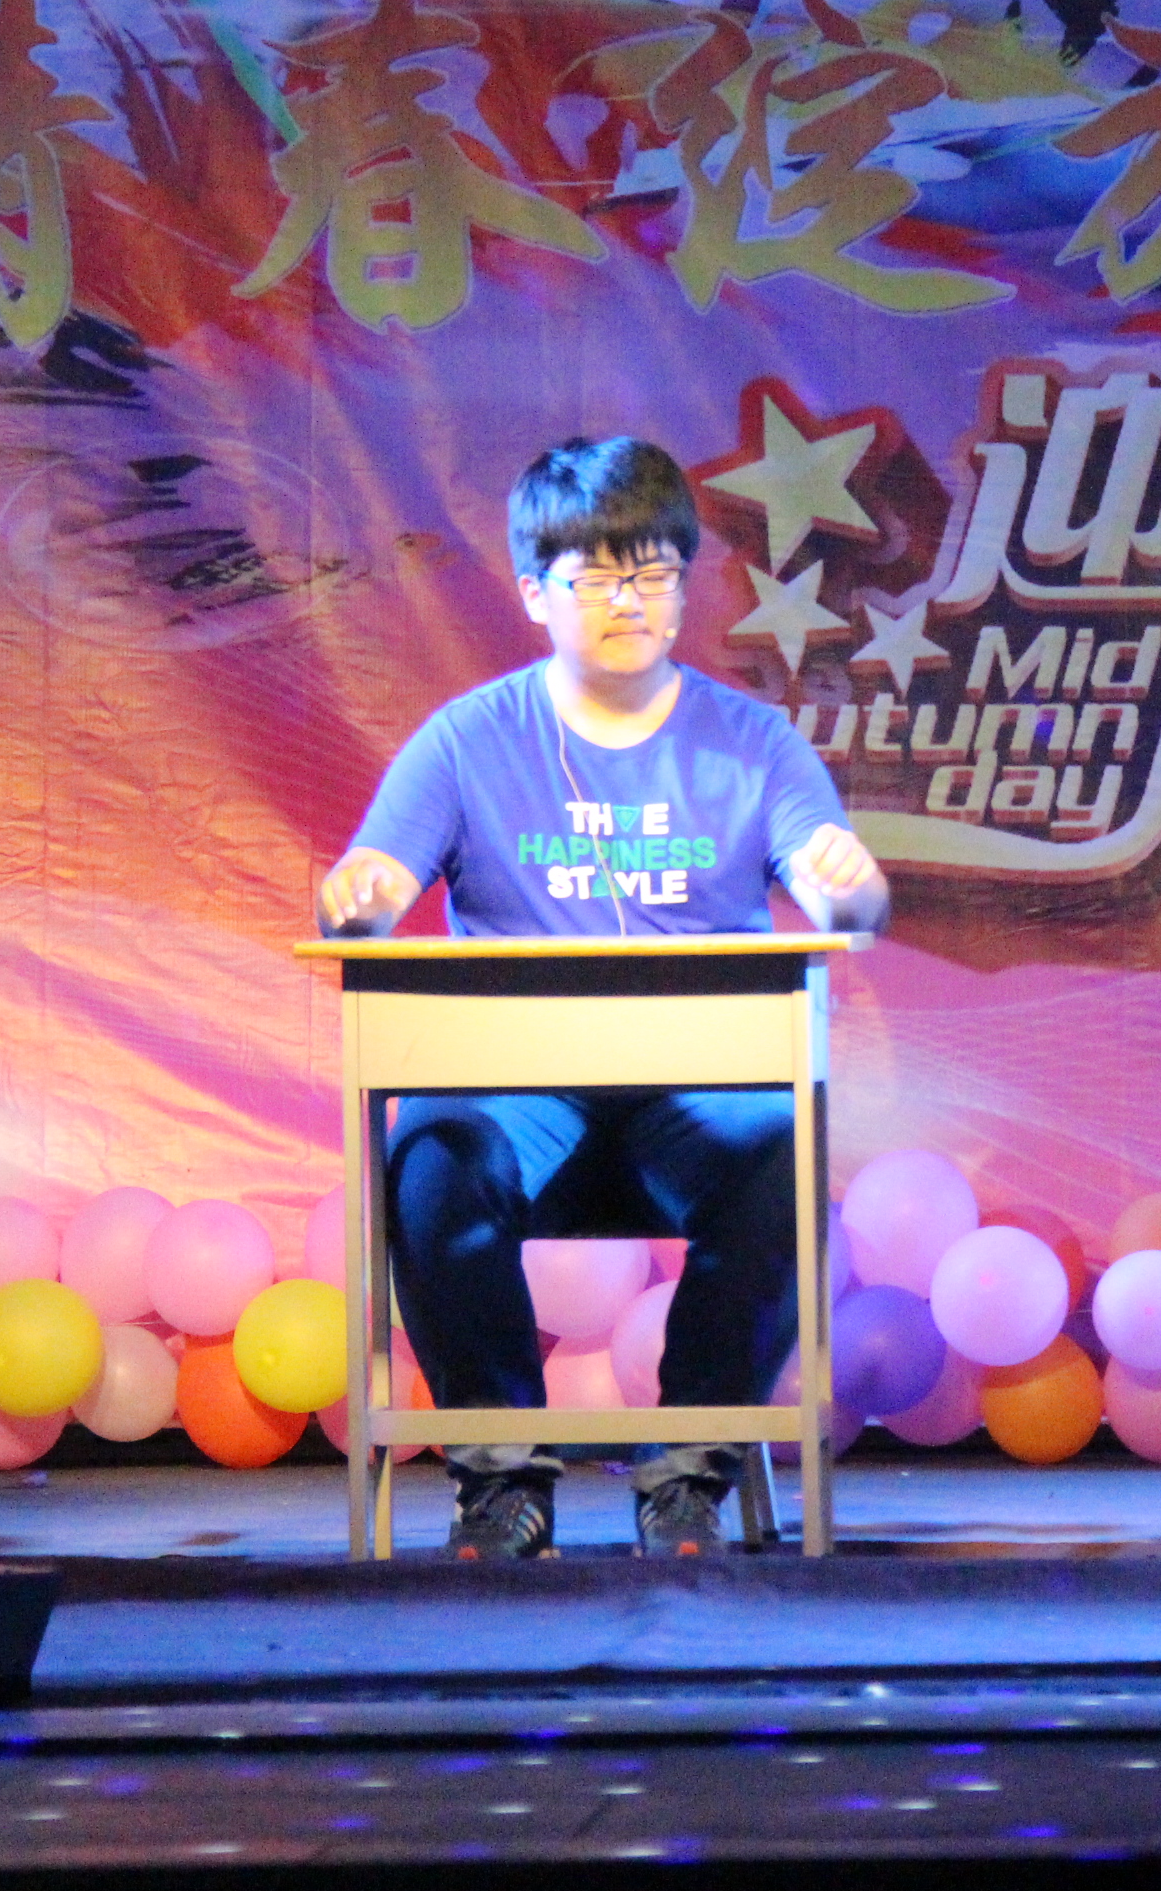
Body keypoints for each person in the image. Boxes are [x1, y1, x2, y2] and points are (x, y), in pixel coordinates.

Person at [318, 438, 890, 1560]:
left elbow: (845, 893)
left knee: (786, 1163)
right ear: (535, 594)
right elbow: (367, 891)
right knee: (432, 1161)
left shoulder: (753, 742)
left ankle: (689, 1475)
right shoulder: (469, 740)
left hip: (700, 1099)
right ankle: (500, 1481)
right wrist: (361, 897)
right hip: (520, 1098)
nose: (630, 601)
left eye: (655, 573)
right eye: (596, 578)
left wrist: (850, 886)